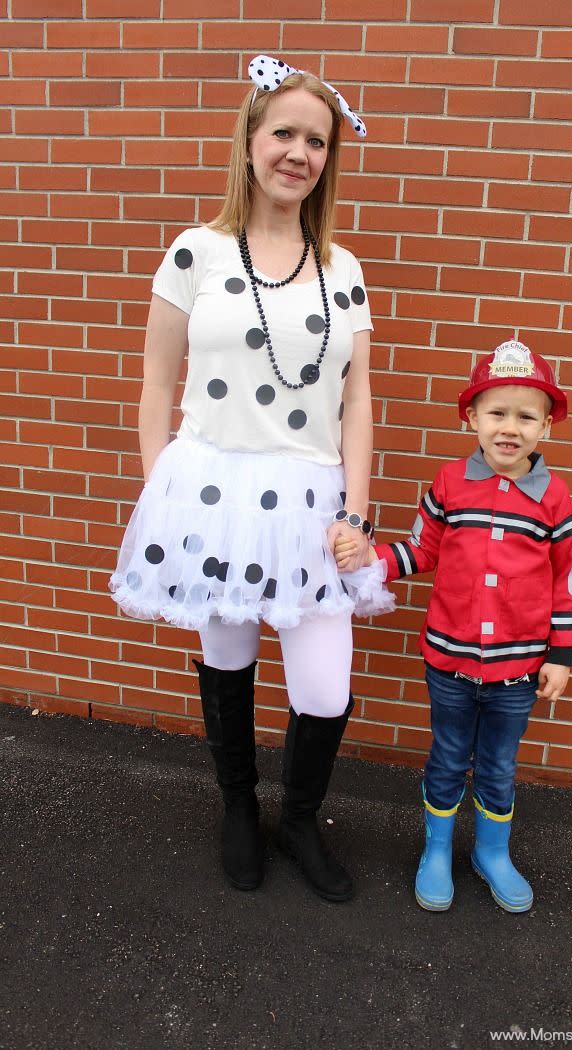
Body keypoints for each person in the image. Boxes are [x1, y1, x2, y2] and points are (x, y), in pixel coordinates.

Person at [109, 54, 393, 903]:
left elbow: (358, 400)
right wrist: (162, 492)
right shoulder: (196, 252)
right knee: (227, 655)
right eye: (284, 133)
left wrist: (359, 512)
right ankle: (239, 805)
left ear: (326, 159)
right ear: (250, 141)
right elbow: (158, 385)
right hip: (211, 493)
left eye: (316, 139)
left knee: (324, 683)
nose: (298, 152)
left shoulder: (344, 268)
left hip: (310, 500)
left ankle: (300, 820)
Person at [335, 340, 572, 913]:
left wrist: (561, 654)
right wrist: (373, 562)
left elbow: (567, 579)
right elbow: (424, 550)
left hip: (519, 667)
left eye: (526, 417)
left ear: (546, 427)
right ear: (471, 417)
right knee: (448, 756)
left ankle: (492, 853)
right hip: (448, 659)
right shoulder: (449, 484)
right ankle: (438, 850)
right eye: (497, 413)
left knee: (498, 764)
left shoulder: (554, 498)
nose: (510, 428)